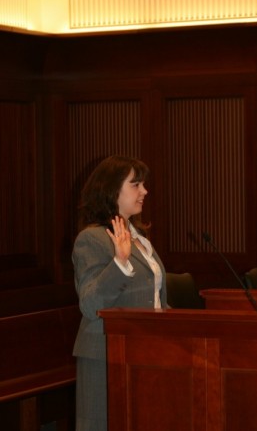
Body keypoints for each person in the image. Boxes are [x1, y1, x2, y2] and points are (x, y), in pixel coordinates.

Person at [72, 155, 167, 431]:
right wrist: (120, 263)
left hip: (142, 353)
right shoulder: (92, 239)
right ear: (112, 190)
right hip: (106, 355)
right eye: (136, 185)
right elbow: (90, 304)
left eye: (144, 185)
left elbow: (155, 299)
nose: (144, 191)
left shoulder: (139, 237)